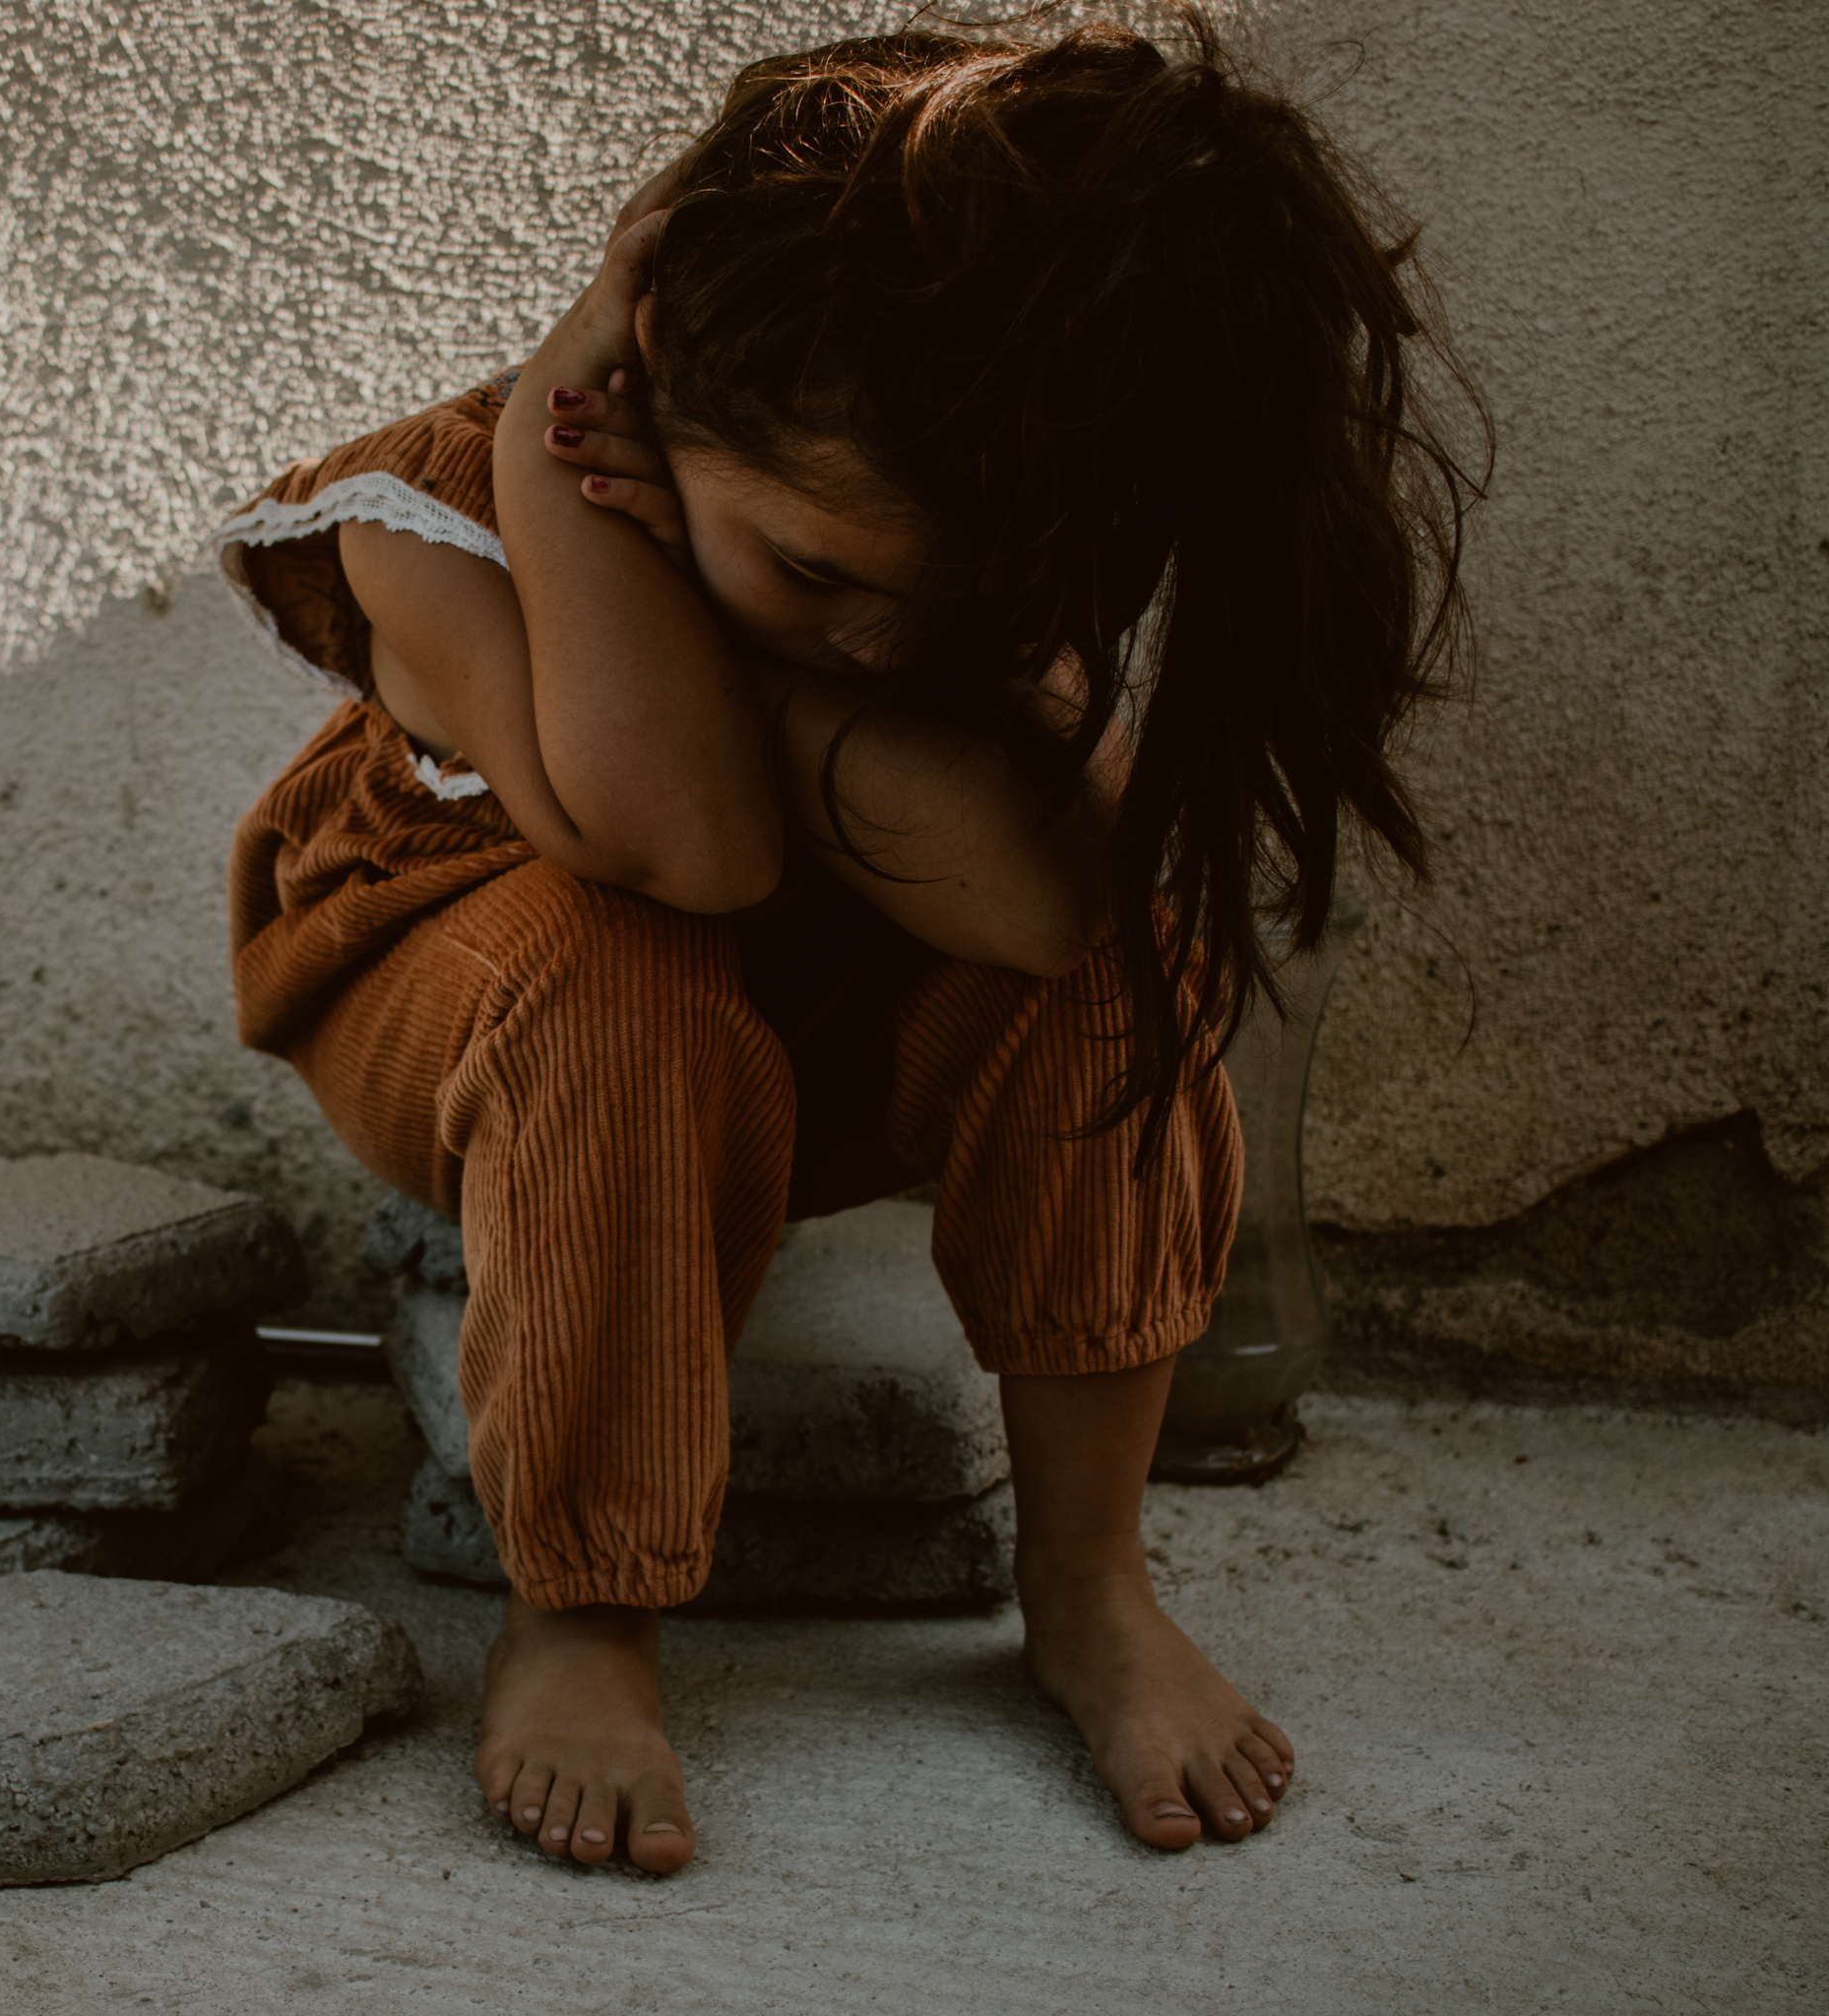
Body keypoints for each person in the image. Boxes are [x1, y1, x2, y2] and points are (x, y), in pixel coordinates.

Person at [216, 15, 1475, 1869]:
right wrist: (579, 443)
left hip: (792, 1053)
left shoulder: (939, 536)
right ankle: (584, 1611)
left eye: (943, 611)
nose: (886, 647)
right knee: (618, 972)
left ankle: (1088, 1586)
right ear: (634, 392)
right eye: (815, 577)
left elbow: (1047, 907)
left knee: (1114, 966)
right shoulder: (436, 521)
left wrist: (791, 649)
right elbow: (690, 850)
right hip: (476, 1008)